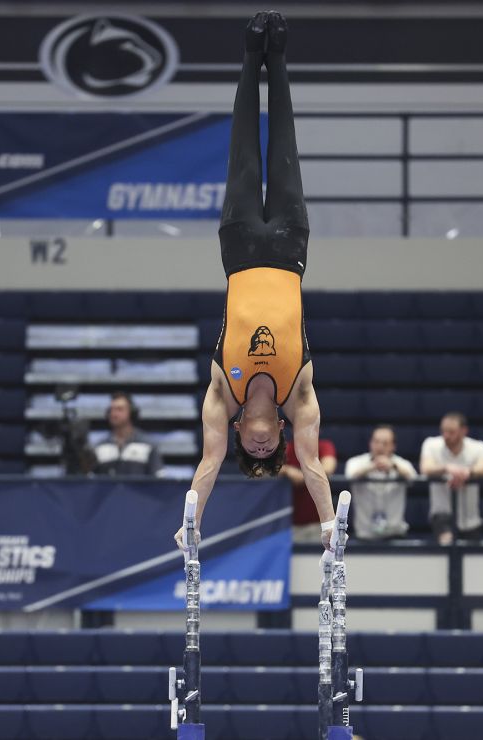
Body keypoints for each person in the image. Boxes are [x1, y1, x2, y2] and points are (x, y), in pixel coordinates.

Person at [173, 11, 338, 552]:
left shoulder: (224, 391)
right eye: (272, 451)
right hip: (290, 251)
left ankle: (250, 53)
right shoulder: (302, 395)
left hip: (241, 249)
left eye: (256, 449)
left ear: (243, 434)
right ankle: (280, 54)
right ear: (278, 438)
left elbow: (208, 462)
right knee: (284, 140)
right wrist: (331, 521)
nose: (264, 443)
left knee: (243, 148)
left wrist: (191, 522)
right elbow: (312, 464)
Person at [419, 412, 483, 545]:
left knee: (470, 560)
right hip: (442, 515)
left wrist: (467, 472)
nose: (446, 436)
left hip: (471, 520)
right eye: (443, 431)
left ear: (464, 431)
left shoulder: (478, 447)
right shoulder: (431, 444)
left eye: (451, 432)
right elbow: (426, 468)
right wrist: (446, 468)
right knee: (448, 547)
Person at [344, 426, 418, 540]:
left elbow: (413, 478)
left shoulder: (401, 463)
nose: (380, 446)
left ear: (393, 446)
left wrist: (393, 467)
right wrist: (372, 467)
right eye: (376, 442)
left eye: (385, 443)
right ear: (370, 443)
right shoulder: (355, 462)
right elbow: (350, 475)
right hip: (364, 535)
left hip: (395, 534)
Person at [91, 392, 164, 476]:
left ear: (131, 412)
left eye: (119, 409)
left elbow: (159, 479)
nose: (114, 414)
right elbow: (92, 481)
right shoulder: (100, 447)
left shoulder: (147, 445)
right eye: (111, 410)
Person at [283, 434, 337, 543]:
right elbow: (263, 469)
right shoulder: (287, 448)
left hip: (318, 524)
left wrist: (302, 477)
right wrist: (286, 470)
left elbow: (328, 468)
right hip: (290, 524)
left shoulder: (323, 446)